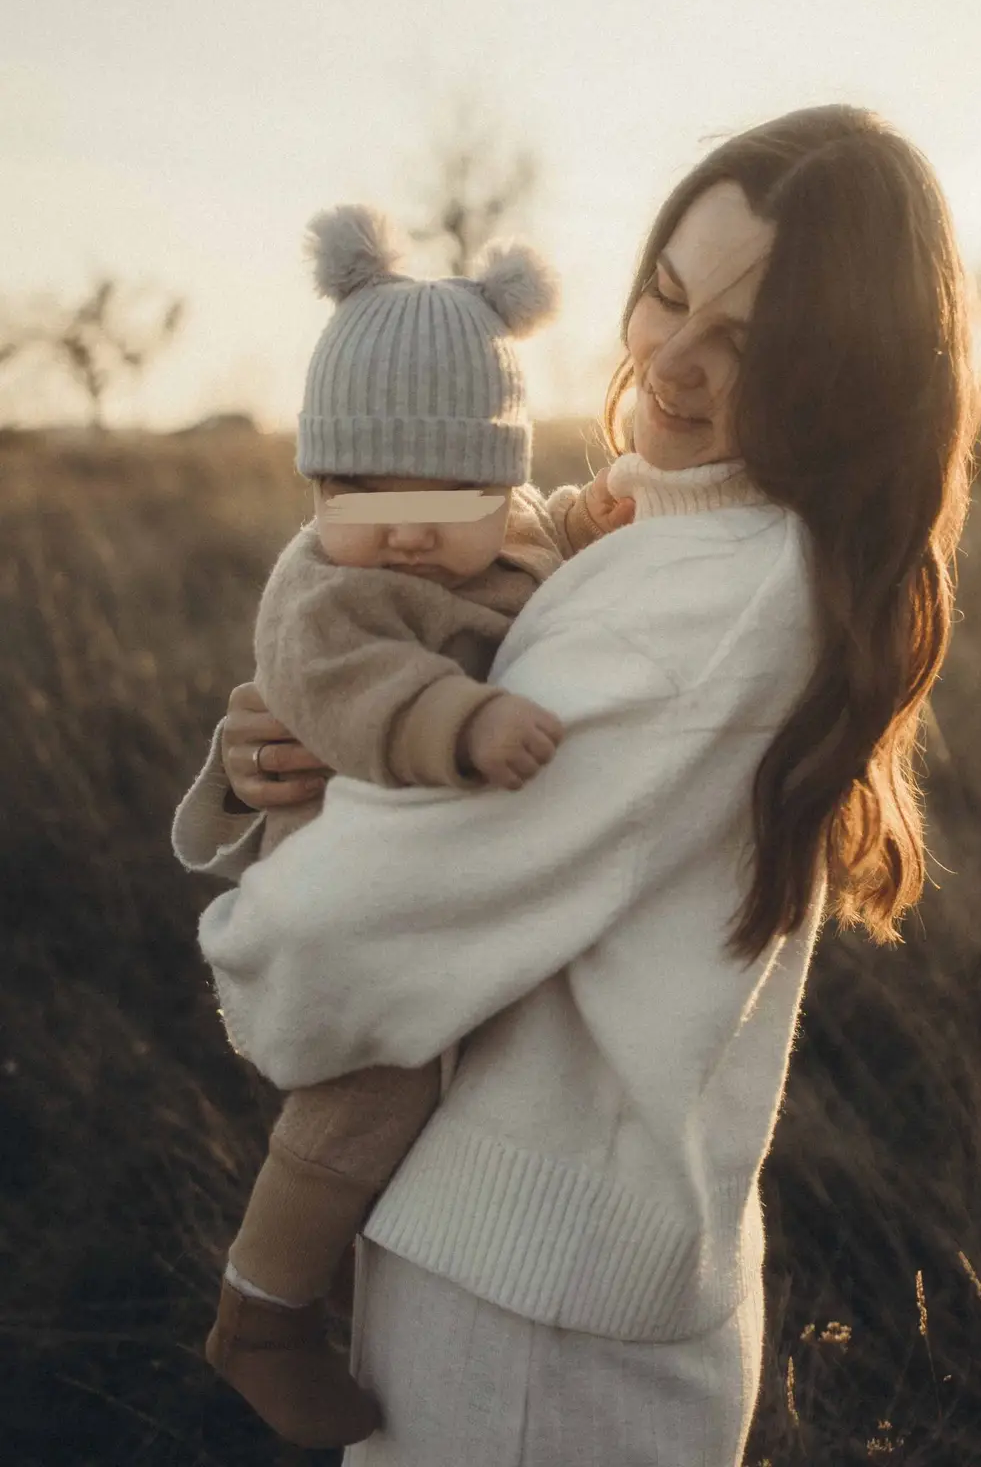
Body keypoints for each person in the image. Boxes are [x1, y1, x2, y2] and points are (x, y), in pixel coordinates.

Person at [173, 104, 980, 1467]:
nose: (670, 358)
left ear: (841, 370)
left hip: (531, 1322)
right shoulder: (669, 525)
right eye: (667, 294)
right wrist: (293, 756)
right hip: (530, 1258)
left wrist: (263, 913)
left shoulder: (709, 598)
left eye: (748, 340)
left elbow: (335, 943)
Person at [181, 207, 631, 1449]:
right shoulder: (329, 585)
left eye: (449, 487)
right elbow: (349, 688)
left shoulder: (510, 533)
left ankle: (325, 1277)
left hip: (456, 897)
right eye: (359, 487)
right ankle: (258, 1315)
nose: (403, 523)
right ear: (317, 484)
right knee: (368, 1096)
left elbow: (559, 537)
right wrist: (461, 724)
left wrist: (604, 523)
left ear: (498, 478)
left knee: (427, 1104)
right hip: (347, 882)